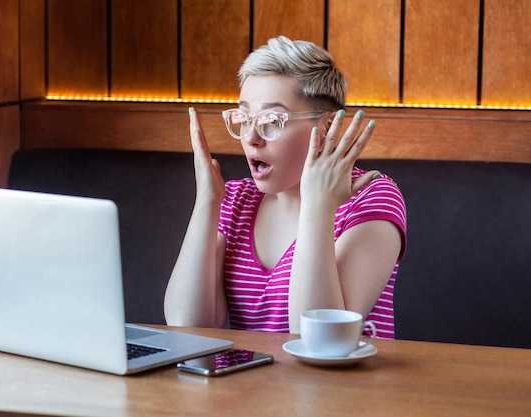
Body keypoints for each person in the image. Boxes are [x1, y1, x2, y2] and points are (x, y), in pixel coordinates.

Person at [164, 36, 406, 338]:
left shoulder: (370, 196)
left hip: (340, 386)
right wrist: (207, 203)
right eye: (244, 117)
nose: (250, 136)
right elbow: (187, 327)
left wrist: (318, 207)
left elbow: (321, 340)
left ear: (328, 126)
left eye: (271, 119)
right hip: (240, 385)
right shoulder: (237, 199)